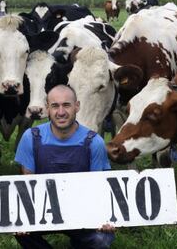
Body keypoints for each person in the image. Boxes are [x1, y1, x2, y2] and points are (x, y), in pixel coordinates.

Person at [14, 84, 115, 249]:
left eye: (66, 105)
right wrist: (24, 219)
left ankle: (78, 242)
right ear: (47, 109)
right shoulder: (31, 137)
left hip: (83, 213)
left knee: (102, 240)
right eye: (55, 106)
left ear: (77, 106)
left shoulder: (94, 142)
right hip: (44, 212)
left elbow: (99, 187)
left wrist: (104, 219)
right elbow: (27, 184)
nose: (61, 112)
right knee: (19, 229)